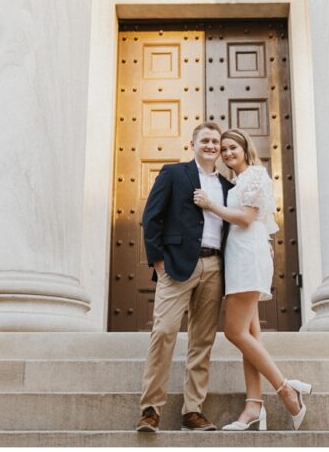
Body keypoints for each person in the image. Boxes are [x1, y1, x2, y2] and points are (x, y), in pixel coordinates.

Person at [193, 128, 312, 431]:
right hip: (237, 258)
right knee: (250, 336)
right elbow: (258, 222)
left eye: (233, 147)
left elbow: (247, 218)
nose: (228, 153)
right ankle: (253, 408)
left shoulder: (257, 174)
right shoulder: (235, 182)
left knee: (234, 332)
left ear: (245, 149)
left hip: (247, 258)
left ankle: (286, 389)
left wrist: (210, 205)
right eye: (225, 149)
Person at [136, 122, 234, 433]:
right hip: (176, 266)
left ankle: (193, 411)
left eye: (215, 141)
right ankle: (151, 409)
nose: (211, 145)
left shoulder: (228, 187)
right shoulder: (174, 173)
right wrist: (157, 261)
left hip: (214, 267)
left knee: (202, 340)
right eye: (205, 140)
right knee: (164, 332)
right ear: (192, 144)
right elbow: (151, 217)